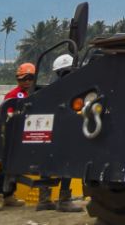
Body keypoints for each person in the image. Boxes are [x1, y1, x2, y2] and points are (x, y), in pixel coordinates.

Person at [34, 55, 82, 212]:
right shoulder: (75, 89)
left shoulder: (51, 89)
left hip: (52, 132)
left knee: (47, 162)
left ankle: (45, 199)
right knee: (67, 162)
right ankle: (64, 199)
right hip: (64, 131)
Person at [0, 63, 36, 210]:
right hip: (12, 134)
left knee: (16, 163)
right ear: (18, 79)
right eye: (24, 78)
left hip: (26, 134)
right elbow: (7, 114)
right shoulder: (13, 95)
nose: (27, 81)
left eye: (30, 78)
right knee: (5, 164)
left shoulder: (34, 94)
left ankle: (9, 195)